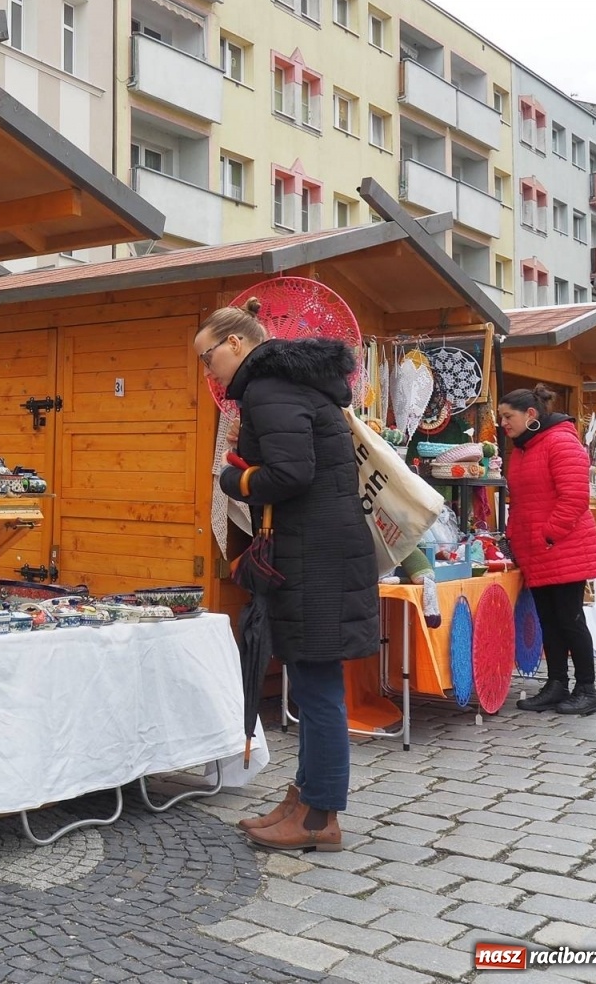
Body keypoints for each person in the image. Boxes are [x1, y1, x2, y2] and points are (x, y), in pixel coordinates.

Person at [193, 299, 378, 853]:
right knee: (312, 678)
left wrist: (235, 478)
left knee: (318, 687)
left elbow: (291, 473)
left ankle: (319, 817)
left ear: (235, 343)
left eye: (208, 358)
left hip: (314, 557)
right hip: (322, 551)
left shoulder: (268, 389)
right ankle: (306, 797)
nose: (209, 371)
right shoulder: (292, 384)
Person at [498, 384, 596, 716]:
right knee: (549, 621)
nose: (503, 422)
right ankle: (557, 684)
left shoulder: (561, 442)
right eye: (500, 416)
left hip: (562, 548)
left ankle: (587, 690)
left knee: (570, 620)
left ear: (531, 414)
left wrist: (547, 536)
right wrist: (515, 538)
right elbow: (521, 502)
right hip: (538, 551)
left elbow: (574, 499)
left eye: (507, 416)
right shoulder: (523, 450)